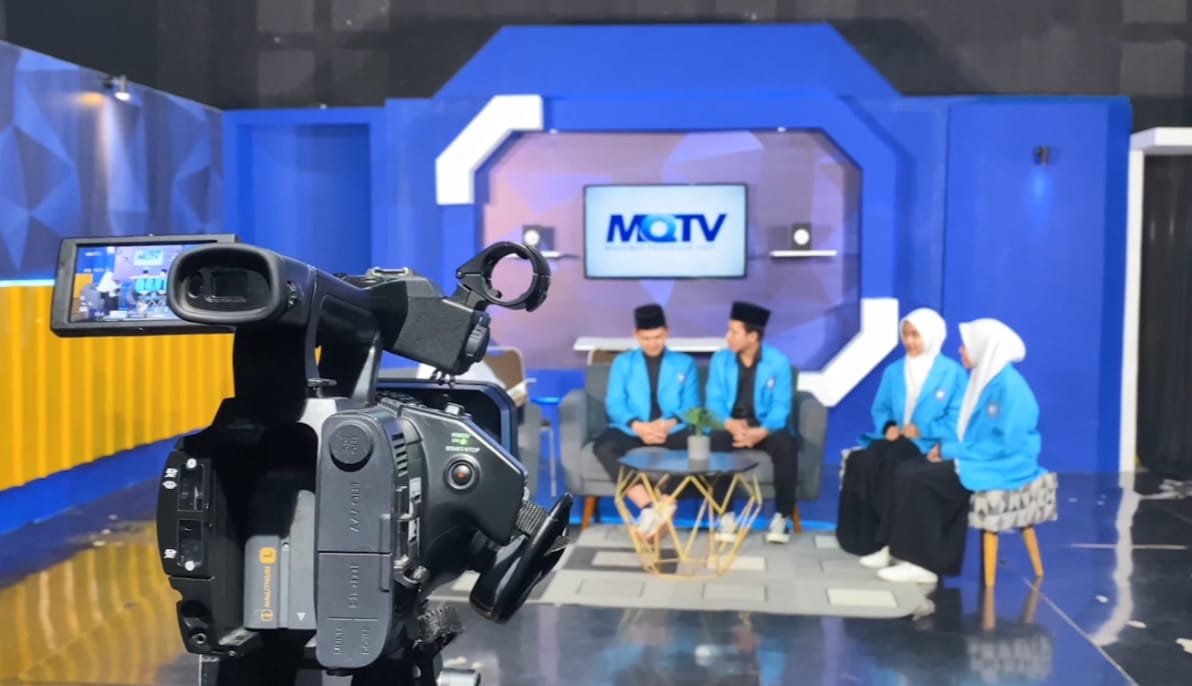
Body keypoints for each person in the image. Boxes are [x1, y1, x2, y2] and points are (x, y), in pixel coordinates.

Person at [876, 318, 1044, 584]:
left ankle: (927, 564)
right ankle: (903, 552)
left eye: (966, 345)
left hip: (1005, 463)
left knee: (926, 479)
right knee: (908, 469)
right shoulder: (985, 380)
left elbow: (1003, 444)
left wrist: (950, 452)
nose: (960, 350)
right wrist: (947, 450)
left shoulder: (1009, 387)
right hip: (983, 456)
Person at [836, 308, 967, 564]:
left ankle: (891, 544)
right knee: (864, 461)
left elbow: (957, 420)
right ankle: (864, 540)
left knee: (893, 462)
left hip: (928, 443)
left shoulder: (953, 374)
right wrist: (888, 427)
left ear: (931, 335)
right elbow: (881, 408)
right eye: (905, 334)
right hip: (896, 439)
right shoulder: (894, 371)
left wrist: (922, 430)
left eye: (915, 335)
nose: (909, 341)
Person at [592, 304, 700, 539]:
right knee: (603, 447)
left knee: (696, 447)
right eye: (646, 338)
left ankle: (665, 506)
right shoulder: (623, 363)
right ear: (636, 335)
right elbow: (615, 403)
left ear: (667, 332)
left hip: (671, 428)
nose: (652, 343)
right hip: (633, 427)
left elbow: (691, 407)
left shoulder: (685, 363)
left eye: (658, 337)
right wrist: (638, 426)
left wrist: (666, 425)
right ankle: (648, 508)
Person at [705, 301, 798, 544]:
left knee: (786, 444)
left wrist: (762, 431)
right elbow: (713, 401)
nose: (728, 336)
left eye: (734, 331)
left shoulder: (778, 362)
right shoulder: (720, 360)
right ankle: (725, 515)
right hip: (731, 424)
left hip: (765, 426)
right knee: (715, 441)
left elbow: (781, 406)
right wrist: (730, 424)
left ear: (753, 336)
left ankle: (782, 516)